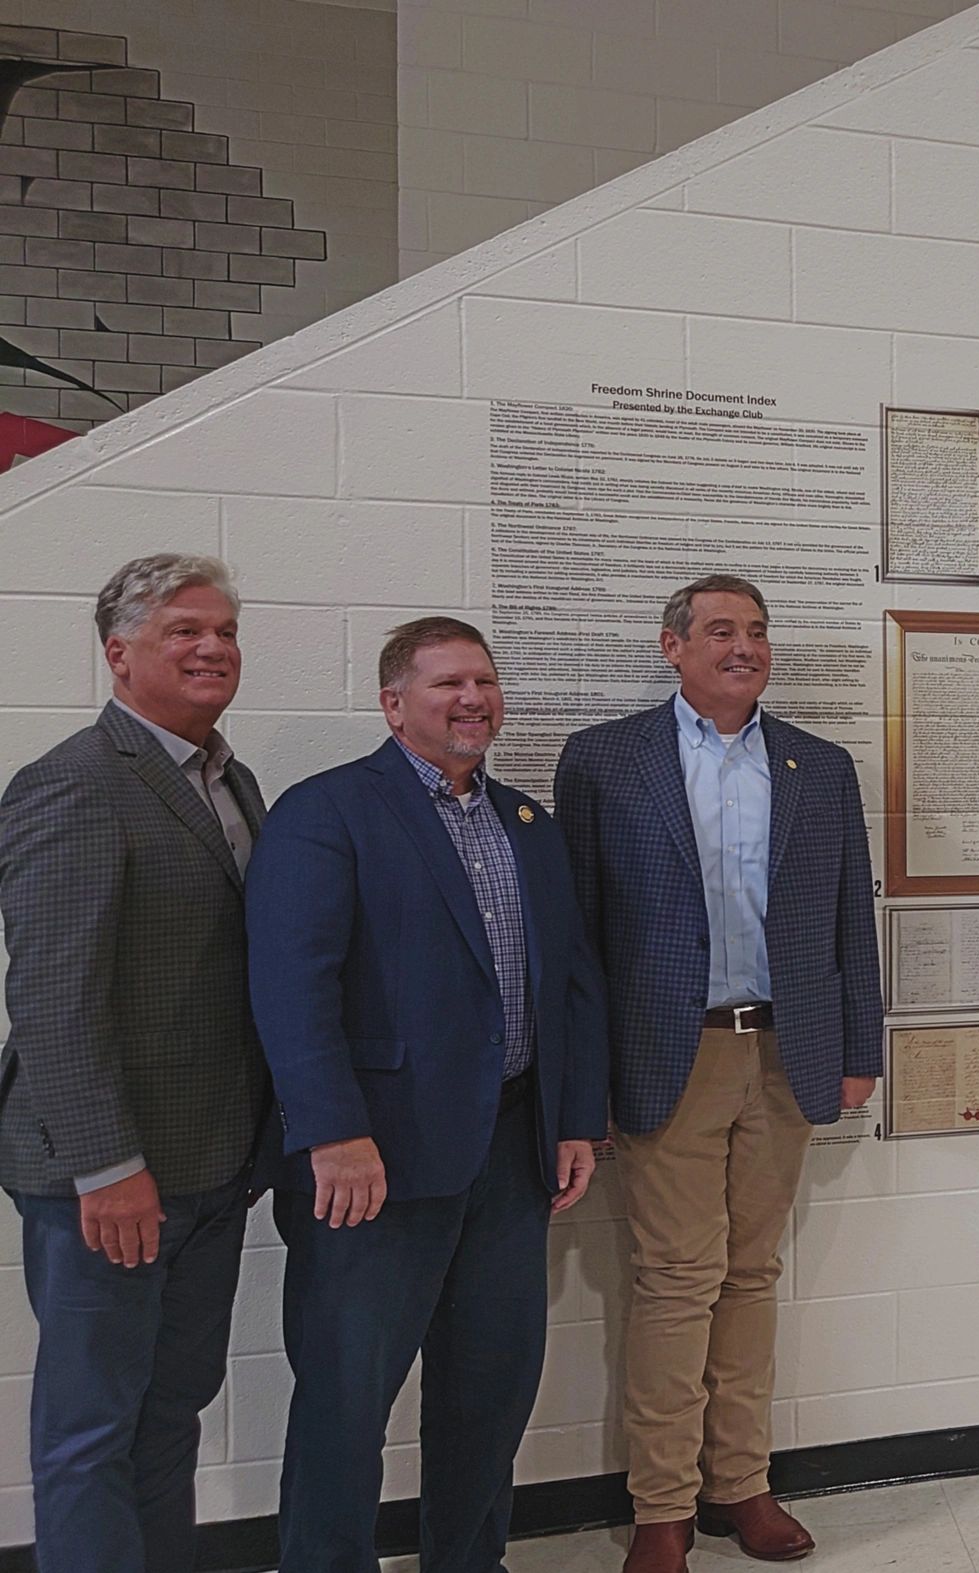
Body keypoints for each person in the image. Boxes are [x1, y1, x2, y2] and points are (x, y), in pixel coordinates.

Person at [246, 618, 605, 1572]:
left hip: (512, 1151)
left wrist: (575, 1121)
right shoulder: (327, 811)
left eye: (483, 681)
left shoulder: (527, 822)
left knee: (489, 1393)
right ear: (392, 702)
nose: (472, 699)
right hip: (373, 1162)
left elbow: (570, 978)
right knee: (345, 1399)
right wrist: (331, 1131)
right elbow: (291, 984)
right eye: (446, 682)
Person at [554, 575, 884, 1572]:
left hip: (786, 1050)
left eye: (755, 631)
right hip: (668, 1053)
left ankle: (741, 1484)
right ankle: (662, 1503)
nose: (742, 646)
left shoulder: (819, 767)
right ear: (673, 647)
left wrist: (861, 1049)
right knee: (675, 1280)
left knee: (752, 1273)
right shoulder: (607, 760)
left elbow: (847, 922)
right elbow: (574, 936)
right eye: (719, 630)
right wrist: (583, 1077)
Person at [0, 555, 269, 1573]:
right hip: (106, 1180)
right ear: (118, 655)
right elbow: (54, 1002)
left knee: (172, 1413)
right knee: (90, 1429)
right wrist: (106, 1166)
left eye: (225, 632)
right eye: (183, 632)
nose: (213, 649)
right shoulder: (73, 782)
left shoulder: (225, 776)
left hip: (207, 1165)